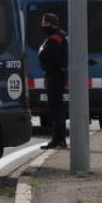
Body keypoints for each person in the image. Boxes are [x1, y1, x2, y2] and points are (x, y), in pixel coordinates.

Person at [38, 12, 69, 149]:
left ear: (52, 24)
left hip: (55, 76)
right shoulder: (53, 38)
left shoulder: (56, 39)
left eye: (45, 23)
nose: (43, 26)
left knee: (57, 110)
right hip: (53, 75)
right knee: (55, 110)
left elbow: (54, 59)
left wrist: (48, 66)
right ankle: (58, 139)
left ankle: (59, 140)